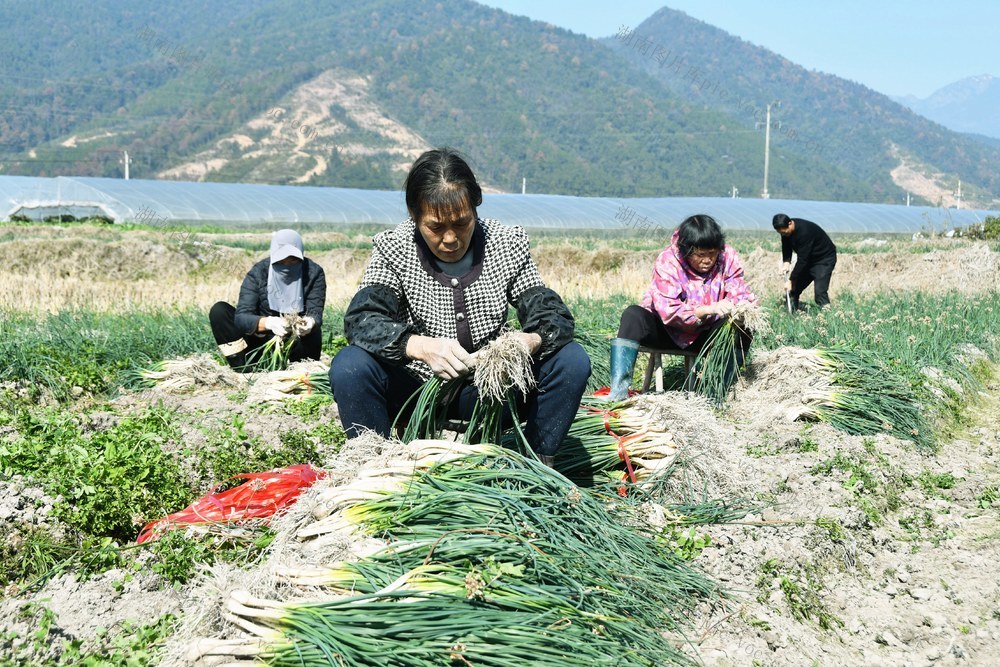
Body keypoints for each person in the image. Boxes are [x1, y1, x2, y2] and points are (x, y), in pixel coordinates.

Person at [329, 147, 591, 465]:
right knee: (350, 366)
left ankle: (534, 467)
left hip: (492, 391)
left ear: (475, 207)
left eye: (462, 223)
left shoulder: (507, 244)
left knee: (571, 359)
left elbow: (552, 316)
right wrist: (419, 346)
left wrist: (528, 341)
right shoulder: (395, 249)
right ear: (414, 216)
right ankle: (376, 471)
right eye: (436, 227)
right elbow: (361, 320)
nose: (451, 238)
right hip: (418, 389)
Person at [608, 214, 758, 400]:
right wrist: (706, 309)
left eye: (712, 254)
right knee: (633, 315)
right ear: (686, 250)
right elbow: (668, 310)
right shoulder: (668, 261)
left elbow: (740, 290)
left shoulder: (728, 257)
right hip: (668, 330)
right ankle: (618, 393)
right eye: (700, 255)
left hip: (708, 334)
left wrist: (741, 309)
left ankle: (716, 393)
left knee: (743, 325)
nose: (707, 260)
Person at [209, 229, 326, 370]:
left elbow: (315, 312)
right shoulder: (258, 273)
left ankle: (300, 368)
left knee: (314, 330)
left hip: (297, 343)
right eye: (281, 262)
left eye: (293, 261)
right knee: (219, 311)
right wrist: (268, 323)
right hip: (261, 341)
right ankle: (243, 368)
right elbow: (242, 317)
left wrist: (309, 323)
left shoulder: (313, 273)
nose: (287, 266)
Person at [772, 213, 837, 310]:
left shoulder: (805, 231)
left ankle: (828, 315)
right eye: (781, 233)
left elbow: (802, 260)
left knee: (819, 293)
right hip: (809, 259)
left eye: (785, 232)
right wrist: (786, 261)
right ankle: (792, 315)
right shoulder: (785, 231)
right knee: (793, 290)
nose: (783, 235)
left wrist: (791, 279)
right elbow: (786, 246)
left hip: (823, 259)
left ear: (790, 223)